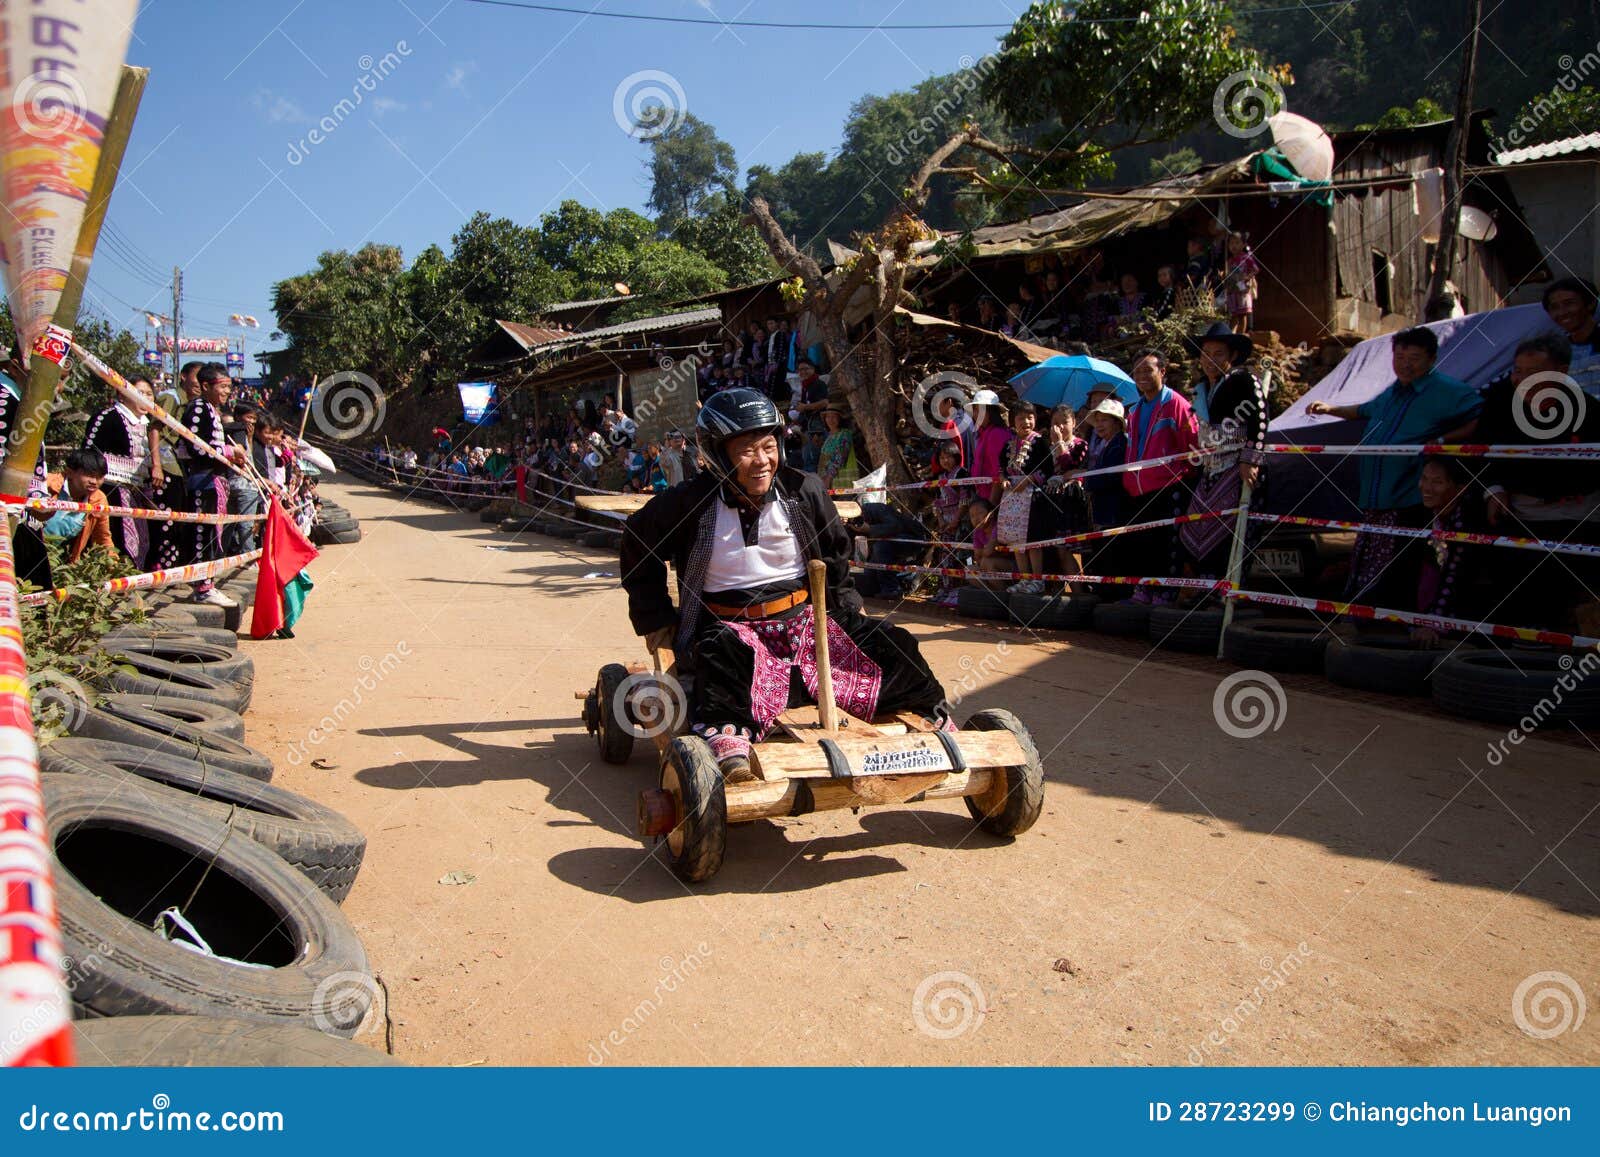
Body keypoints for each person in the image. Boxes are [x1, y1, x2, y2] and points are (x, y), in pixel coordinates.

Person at [619, 388, 951, 783]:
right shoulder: (688, 503)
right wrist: (657, 618)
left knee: (896, 645)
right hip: (731, 629)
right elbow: (637, 544)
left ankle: (935, 725)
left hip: (805, 624)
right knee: (720, 660)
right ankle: (731, 739)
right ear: (716, 452)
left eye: (768, 445)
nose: (762, 461)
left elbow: (833, 553)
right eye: (746, 449)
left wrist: (846, 607)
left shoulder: (802, 490)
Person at [1307, 326, 1482, 607]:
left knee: (1400, 569)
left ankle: (1396, 629)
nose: (1405, 364)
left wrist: (1440, 441)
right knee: (1369, 566)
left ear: (1432, 358)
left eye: (1413, 357)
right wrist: (1330, 409)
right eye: (1399, 357)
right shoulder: (1393, 392)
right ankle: (1370, 623)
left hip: (1409, 498)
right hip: (1376, 498)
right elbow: (1363, 410)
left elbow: (1479, 417)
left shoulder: (1448, 391)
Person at [1473, 333, 1600, 630]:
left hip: (1582, 518)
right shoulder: (1499, 406)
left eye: (1534, 373)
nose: (1523, 380)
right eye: (1518, 371)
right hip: (1520, 514)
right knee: (1518, 593)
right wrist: (1493, 490)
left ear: (1562, 372)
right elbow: (1479, 453)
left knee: (1574, 597)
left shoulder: (1591, 412)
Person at [1181, 322, 1269, 583]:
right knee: (1196, 524)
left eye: (1218, 353)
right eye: (1206, 353)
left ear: (1232, 356)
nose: (1210, 360)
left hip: (1237, 466)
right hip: (1210, 468)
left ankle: (1227, 589)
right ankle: (1205, 584)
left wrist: (1249, 460)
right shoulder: (1202, 388)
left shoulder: (1243, 380)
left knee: (1229, 526)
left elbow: (1260, 419)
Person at [1120, 349, 1199, 604]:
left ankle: (1167, 592)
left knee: (1168, 542)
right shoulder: (1134, 410)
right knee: (1142, 542)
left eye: (1148, 370)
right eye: (1138, 371)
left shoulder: (1176, 403)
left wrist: (1185, 476)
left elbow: (1192, 444)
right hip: (1138, 489)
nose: (1142, 375)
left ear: (1162, 372)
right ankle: (1144, 589)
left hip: (1169, 486)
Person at [1411, 455, 1494, 646]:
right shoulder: (1426, 514)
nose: (1426, 488)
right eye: (1424, 478)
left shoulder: (1469, 521)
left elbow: (1454, 574)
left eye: (1437, 482)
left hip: (1474, 613)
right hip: (1439, 606)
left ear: (1460, 488)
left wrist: (1432, 623)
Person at [175, 364, 238, 607]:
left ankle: (207, 583)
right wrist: (230, 451)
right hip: (203, 480)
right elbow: (196, 446)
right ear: (205, 386)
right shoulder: (199, 407)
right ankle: (202, 586)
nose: (226, 392)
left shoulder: (211, 410)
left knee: (211, 532)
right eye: (222, 387)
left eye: (229, 387)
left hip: (214, 481)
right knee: (202, 533)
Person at [82, 377, 159, 567]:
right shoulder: (107, 417)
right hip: (110, 489)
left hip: (136, 491)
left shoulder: (148, 425)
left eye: (149, 394)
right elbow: (89, 451)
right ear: (123, 395)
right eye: (139, 393)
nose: (146, 399)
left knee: (140, 539)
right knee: (113, 538)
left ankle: (130, 581)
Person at [995, 403, 1053, 594]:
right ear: (1013, 422)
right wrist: (1003, 479)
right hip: (1012, 497)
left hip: (1033, 498)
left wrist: (1029, 479)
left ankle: (1037, 580)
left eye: (1030, 417)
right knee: (1015, 541)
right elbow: (1001, 467)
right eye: (1021, 418)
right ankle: (1024, 578)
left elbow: (1048, 469)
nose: (1026, 421)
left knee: (1032, 540)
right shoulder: (1008, 444)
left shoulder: (1041, 442)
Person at [1082, 397, 1129, 586]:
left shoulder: (1120, 444)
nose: (1099, 425)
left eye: (1105, 420)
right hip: (1103, 508)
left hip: (1114, 508)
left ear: (1117, 422)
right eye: (1098, 420)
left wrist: (1087, 478)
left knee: (1112, 554)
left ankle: (1112, 593)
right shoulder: (1106, 444)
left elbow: (1110, 477)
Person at [41, 449, 114, 563]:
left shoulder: (99, 500)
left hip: (57, 560)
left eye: (100, 477)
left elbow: (102, 538)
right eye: (89, 475)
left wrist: (112, 564)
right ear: (70, 472)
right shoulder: (45, 484)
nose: (94, 481)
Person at [1541, 276, 1600, 398]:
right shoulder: (1553, 352)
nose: (1562, 312)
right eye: (1554, 307)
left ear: (1591, 304)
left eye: (1569, 304)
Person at [792, 359, 829, 472]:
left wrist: (804, 407)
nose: (803, 372)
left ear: (813, 369)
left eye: (806, 369)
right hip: (808, 428)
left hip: (816, 430)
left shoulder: (819, 384)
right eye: (800, 370)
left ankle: (814, 488)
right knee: (808, 460)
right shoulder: (806, 386)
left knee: (812, 462)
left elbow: (824, 403)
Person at [1221, 231, 1261, 333]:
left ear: (1243, 244)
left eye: (1237, 243)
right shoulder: (1229, 261)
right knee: (1233, 315)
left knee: (1242, 314)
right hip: (1232, 289)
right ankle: (1231, 335)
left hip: (1242, 288)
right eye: (1231, 243)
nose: (1234, 246)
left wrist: (1247, 277)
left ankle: (1240, 335)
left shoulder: (1246, 258)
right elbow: (1228, 275)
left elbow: (1255, 269)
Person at [817, 401, 860, 490]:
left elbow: (839, 458)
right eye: (828, 416)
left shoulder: (844, 435)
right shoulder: (829, 436)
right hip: (827, 483)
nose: (830, 419)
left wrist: (828, 478)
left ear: (840, 419)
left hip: (840, 483)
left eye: (834, 416)